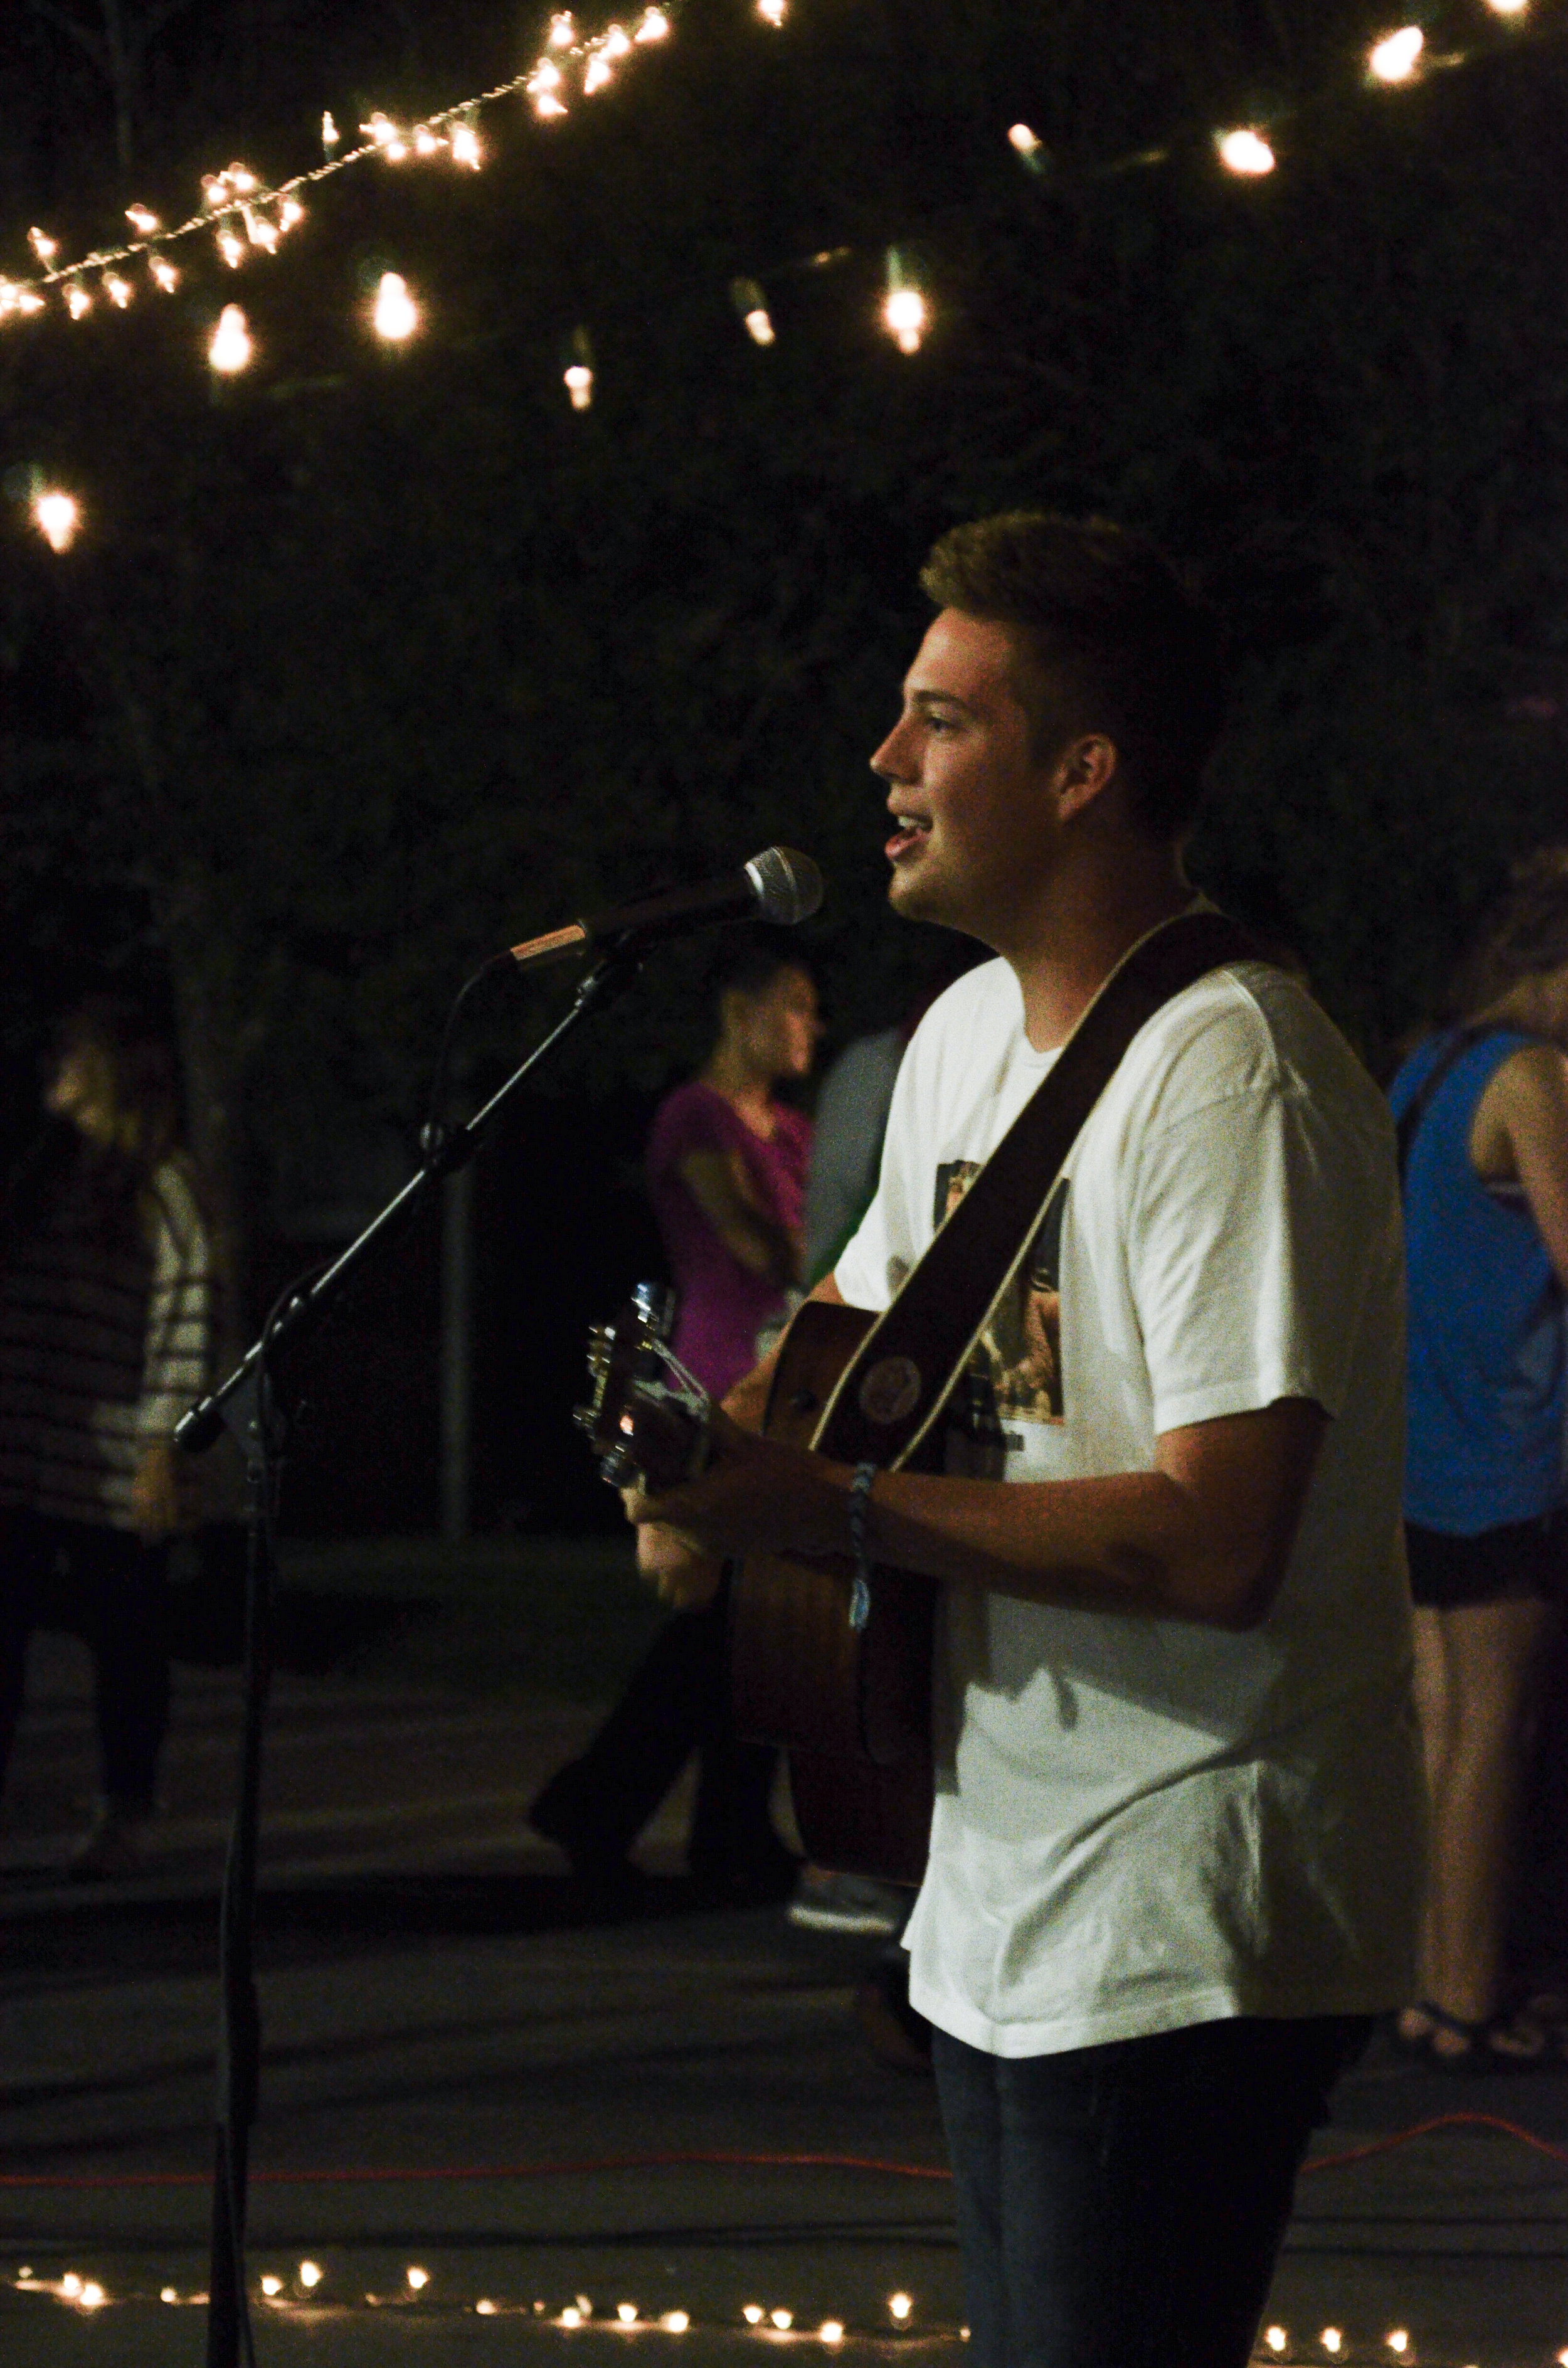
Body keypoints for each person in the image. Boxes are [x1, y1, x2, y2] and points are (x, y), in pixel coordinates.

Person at [625, 512, 1424, 2368]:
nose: (884, 765)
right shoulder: (961, 1039)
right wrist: (706, 1448)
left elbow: (1216, 1542)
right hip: (995, 1875)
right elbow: (855, 1332)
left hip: (1180, 1896)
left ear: (1082, 772)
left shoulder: (1233, 1069)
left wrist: (815, 1505)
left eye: (937, 722)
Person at [530, 933, 817, 1897]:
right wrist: (808, 1253)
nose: (809, 1027)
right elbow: (758, 1245)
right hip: (710, 1385)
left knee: (748, 1620)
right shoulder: (695, 1116)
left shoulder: (791, 1130)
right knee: (724, 1615)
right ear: (740, 1013)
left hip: (785, 1390)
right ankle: (650, 1813)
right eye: (794, 1006)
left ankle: (665, 1817)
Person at [1388, 852, 1568, 2068]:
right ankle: (1462, 2002)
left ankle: (1424, 1982)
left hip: (1414, 1453)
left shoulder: (1425, 1064)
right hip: (1505, 1454)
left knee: (1440, 1727)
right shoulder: (1532, 1077)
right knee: (1492, 1738)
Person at [0, 998, 216, 1877]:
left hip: (110, 1457)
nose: (58, 1060)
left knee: (126, 1642)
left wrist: (163, 1443)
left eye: (76, 1049)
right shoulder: (39, 1172)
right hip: (17, 1443)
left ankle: (125, 1810)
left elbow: (183, 1318)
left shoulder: (164, 1186)